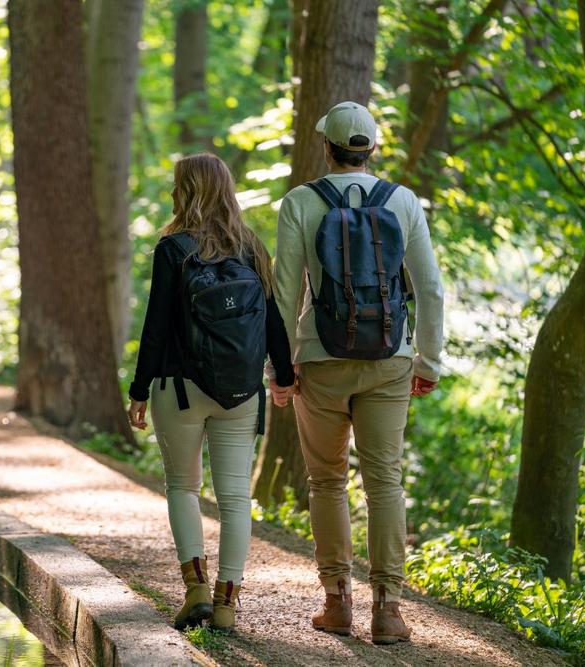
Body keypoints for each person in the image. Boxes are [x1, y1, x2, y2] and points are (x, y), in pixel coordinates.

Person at [270, 101, 444, 644]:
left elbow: (283, 291)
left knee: (327, 481)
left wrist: (280, 368)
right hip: (390, 357)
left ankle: (337, 602)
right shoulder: (403, 200)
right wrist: (429, 360)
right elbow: (430, 287)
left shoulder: (300, 201)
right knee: (385, 481)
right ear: (371, 148)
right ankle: (389, 610)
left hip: (319, 358)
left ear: (327, 147)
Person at [127, 153, 294, 634]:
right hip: (241, 393)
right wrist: (282, 375)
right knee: (235, 498)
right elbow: (274, 322)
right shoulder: (252, 248)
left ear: (186, 191)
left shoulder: (172, 248)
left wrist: (139, 390)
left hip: (179, 389)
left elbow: (155, 326)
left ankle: (195, 590)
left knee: (182, 486)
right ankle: (226, 604)